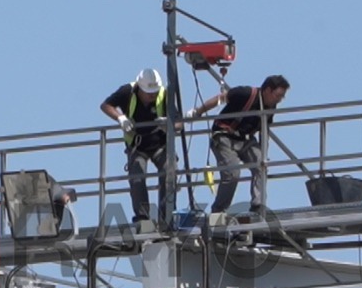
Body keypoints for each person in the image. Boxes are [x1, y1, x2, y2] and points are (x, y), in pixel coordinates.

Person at [187, 74, 290, 215]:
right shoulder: (246, 93)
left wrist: (263, 156)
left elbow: (264, 131)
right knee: (232, 173)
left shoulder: (270, 107)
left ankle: (258, 205)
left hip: (245, 140)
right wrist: (197, 112)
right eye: (278, 95)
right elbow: (220, 98)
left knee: (261, 164)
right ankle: (219, 210)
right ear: (267, 90)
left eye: (282, 96)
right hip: (224, 136)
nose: (280, 99)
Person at [100, 68, 173, 226]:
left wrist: (170, 125)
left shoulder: (164, 95)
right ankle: (143, 219)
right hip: (137, 146)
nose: (152, 95)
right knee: (137, 178)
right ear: (139, 88)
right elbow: (106, 105)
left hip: (159, 144)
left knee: (169, 171)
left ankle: (166, 215)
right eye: (148, 92)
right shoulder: (127, 91)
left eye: (154, 91)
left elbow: (179, 121)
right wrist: (120, 118)